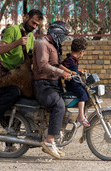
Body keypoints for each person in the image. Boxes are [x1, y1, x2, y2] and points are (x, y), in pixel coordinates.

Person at [0, 9, 44, 135]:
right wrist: (17, 43)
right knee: (14, 93)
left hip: (17, 78)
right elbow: (0, 49)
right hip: (3, 77)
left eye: (36, 25)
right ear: (26, 17)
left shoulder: (31, 36)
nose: (33, 26)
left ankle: (11, 142)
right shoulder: (13, 30)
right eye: (33, 22)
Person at [32, 21, 71, 159]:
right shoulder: (43, 44)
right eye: (63, 36)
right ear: (56, 34)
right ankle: (49, 141)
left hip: (52, 84)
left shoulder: (52, 45)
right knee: (58, 105)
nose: (64, 39)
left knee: (65, 102)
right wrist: (61, 73)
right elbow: (43, 65)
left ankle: (53, 138)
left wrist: (70, 72)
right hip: (43, 85)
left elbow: (57, 64)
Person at [60, 37, 89, 127]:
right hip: (72, 85)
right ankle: (80, 116)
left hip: (76, 83)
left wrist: (78, 71)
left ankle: (83, 115)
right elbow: (60, 66)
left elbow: (72, 69)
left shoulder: (74, 60)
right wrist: (69, 72)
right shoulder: (69, 60)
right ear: (81, 51)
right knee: (82, 94)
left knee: (87, 94)